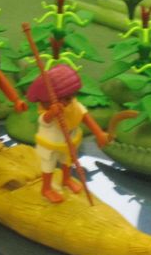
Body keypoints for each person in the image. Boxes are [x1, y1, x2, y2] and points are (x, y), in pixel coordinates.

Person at [26, 64, 109, 203]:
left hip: (69, 141)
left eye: (71, 97)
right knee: (48, 166)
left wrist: (99, 133)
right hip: (51, 145)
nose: (70, 100)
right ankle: (46, 189)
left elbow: (84, 116)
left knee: (67, 161)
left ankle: (66, 179)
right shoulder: (45, 110)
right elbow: (44, 120)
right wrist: (52, 113)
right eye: (66, 98)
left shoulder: (72, 105)